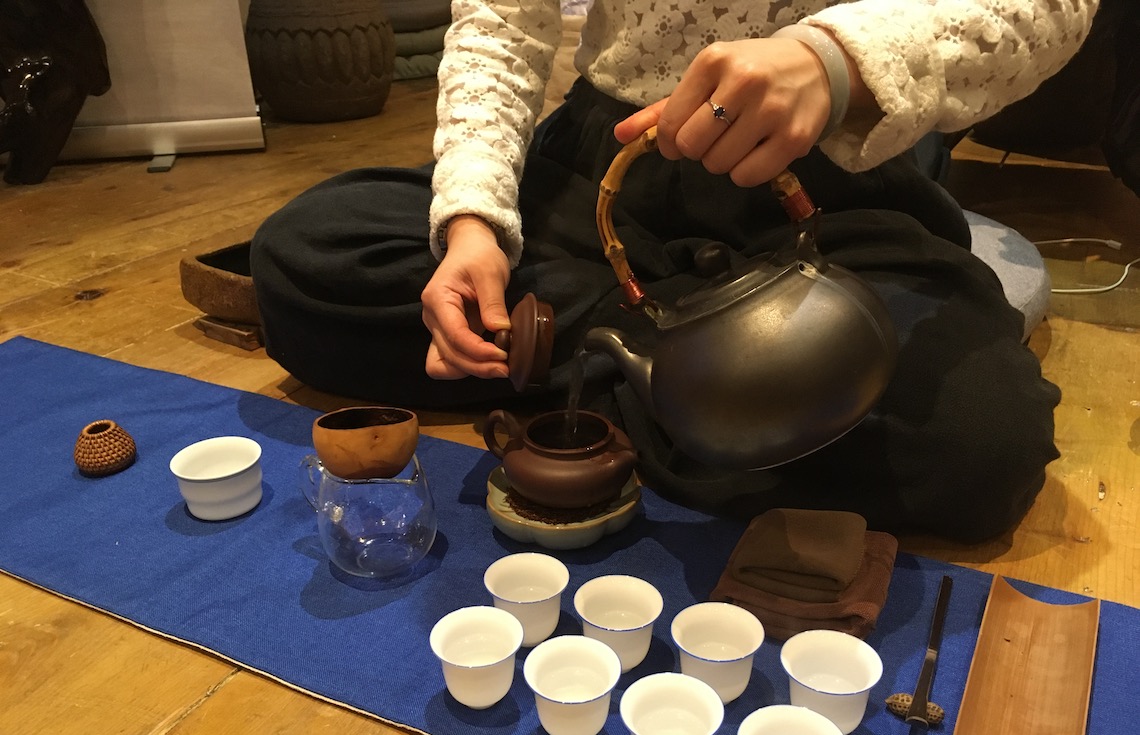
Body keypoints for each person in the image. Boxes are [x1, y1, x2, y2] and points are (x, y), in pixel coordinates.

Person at [250, 1, 1099, 543]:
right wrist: (474, 223)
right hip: (605, 168)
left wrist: (835, 63)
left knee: (981, 443)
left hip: (825, 183)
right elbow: (501, 25)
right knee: (308, 255)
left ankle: (590, 361)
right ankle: (716, 377)